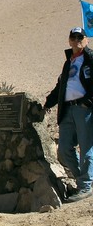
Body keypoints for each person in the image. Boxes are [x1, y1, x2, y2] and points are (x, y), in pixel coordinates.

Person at [44, 27, 93, 202]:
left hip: (84, 109)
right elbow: (60, 87)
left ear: (86, 39)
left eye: (81, 36)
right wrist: (47, 104)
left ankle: (85, 185)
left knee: (86, 148)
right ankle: (84, 180)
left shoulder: (90, 59)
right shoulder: (68, 62)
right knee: (64, 149)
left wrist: (88, 102)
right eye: (74, 37)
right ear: (69, 41)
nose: (77, 40)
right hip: (67, 109)